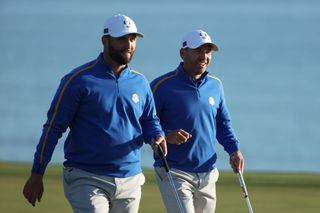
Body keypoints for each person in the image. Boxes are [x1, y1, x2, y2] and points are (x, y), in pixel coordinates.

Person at [22, 14, 166, 213]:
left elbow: (150, 120)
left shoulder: (140, 83)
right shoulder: (78, 80)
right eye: (122, 39)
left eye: (132, 39)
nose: (129, 44)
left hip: (130, 179)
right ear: (105, 41)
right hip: (86, 177)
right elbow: (53, 128)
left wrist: (157, 137)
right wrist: (37, 173)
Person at [150, 29, 244, 213]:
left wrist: (234, 149)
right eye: (198, 51)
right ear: (183, 53)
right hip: (173, 171)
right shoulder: (162, 86)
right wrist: (165, 134)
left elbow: (222, 123)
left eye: (208, 51)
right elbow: (145, 122)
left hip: (207, 172)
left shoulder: (215, 85)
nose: (204, 56)